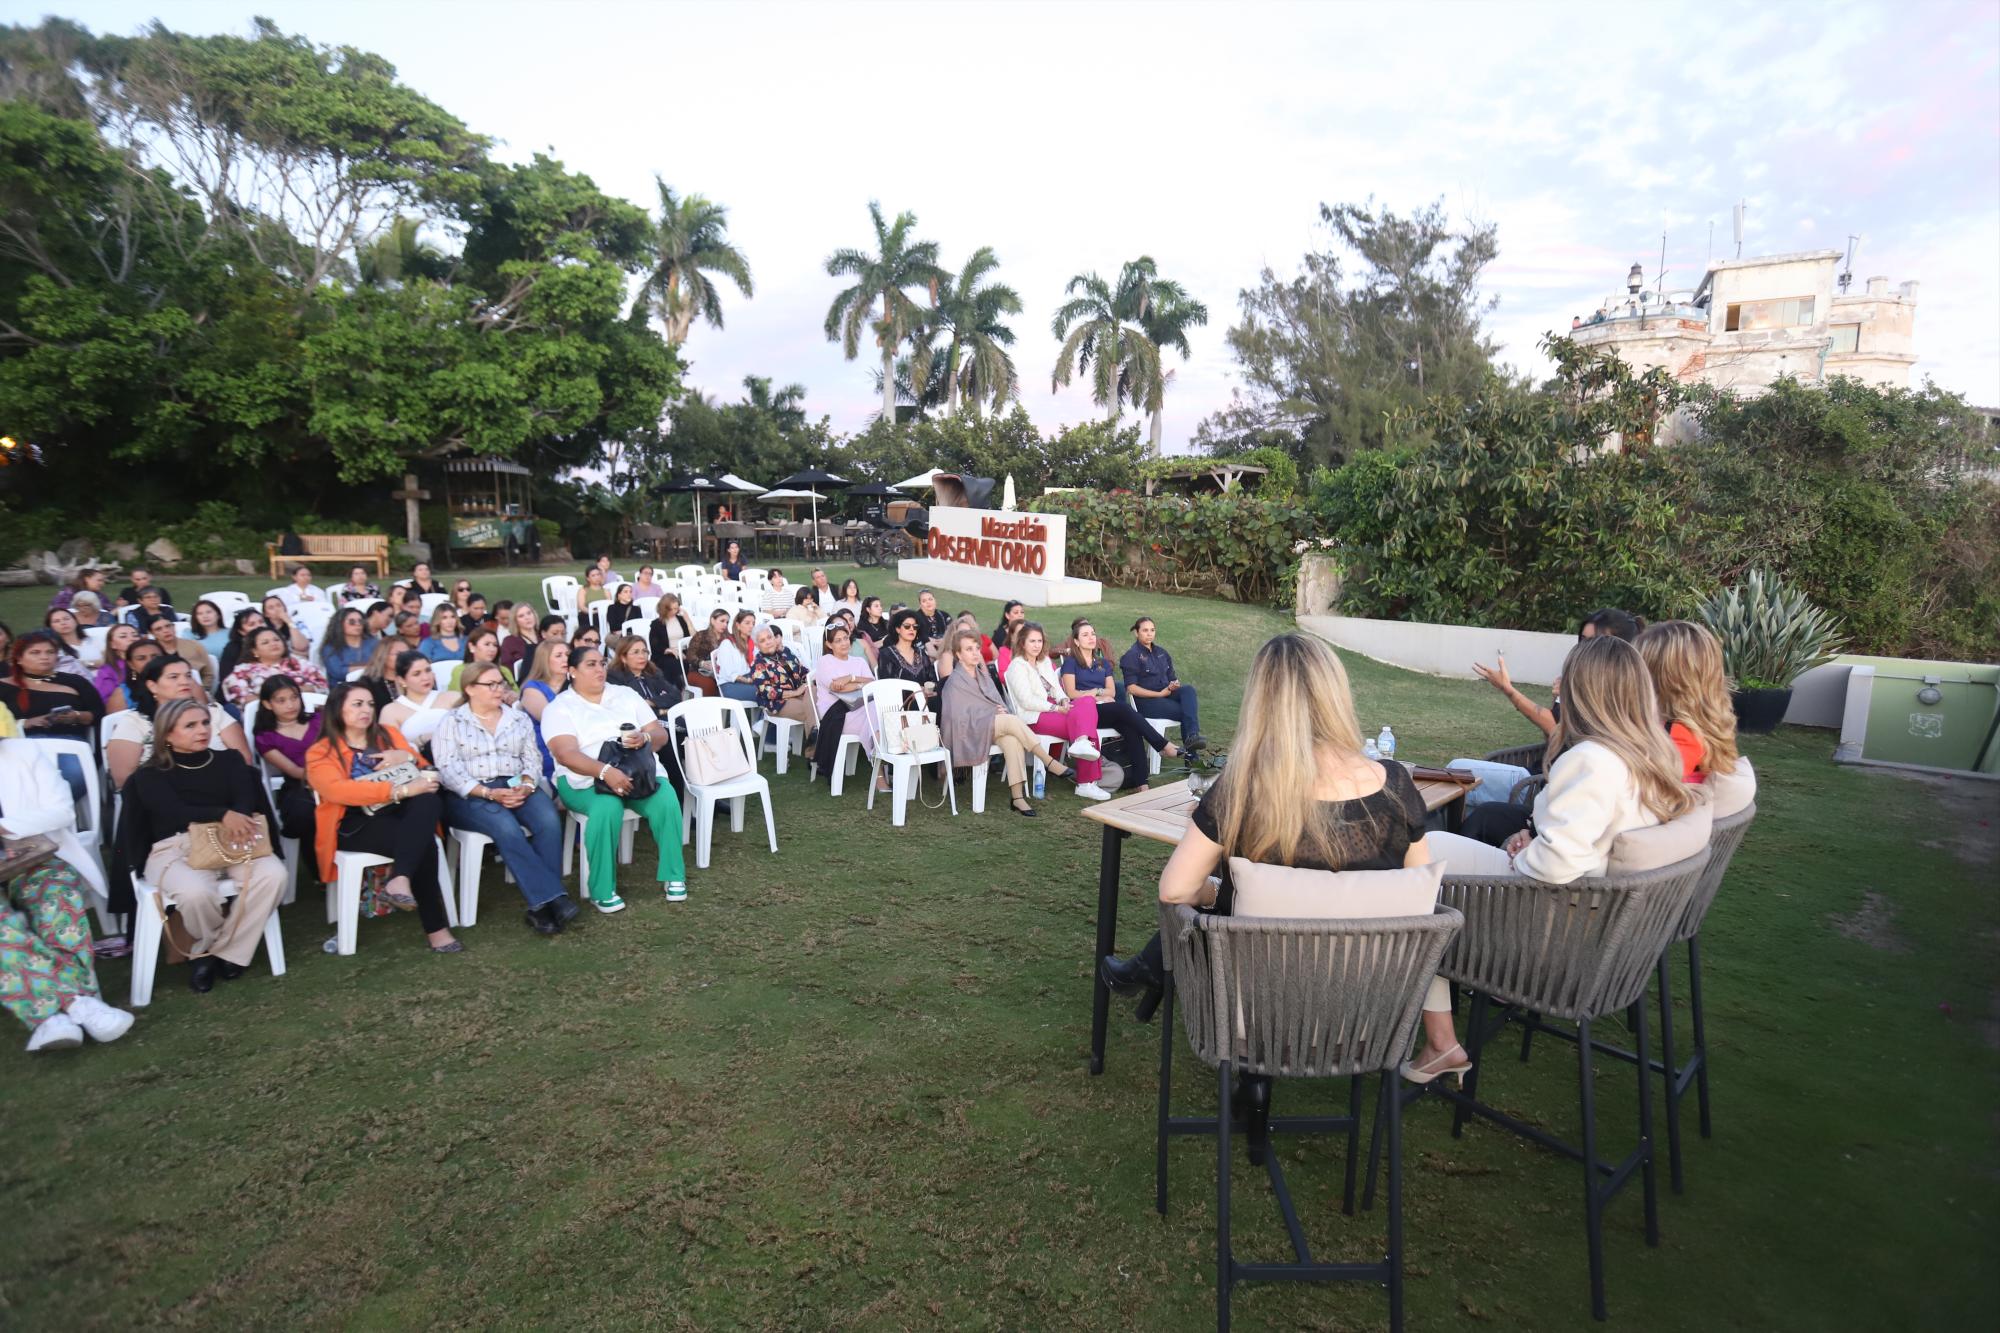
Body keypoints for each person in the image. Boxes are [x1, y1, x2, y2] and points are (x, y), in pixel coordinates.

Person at [1102, 634, 1440, 1148]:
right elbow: (1419, 891)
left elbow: (1174, 889)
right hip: (1370, 1008)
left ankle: (1244, 1069)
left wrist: (1217, 893)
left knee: (1221, 910)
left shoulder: (1244, 787)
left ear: (1262, 702)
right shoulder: (1394, 783)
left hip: (1255, 1011)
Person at [1414, 634, 1701, 1083]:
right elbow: (1584, 838)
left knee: (1415, 858)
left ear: (1587, 692)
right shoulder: (1652, 757)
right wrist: (1532, 837)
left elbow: (1552, 867)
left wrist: (1526, 854)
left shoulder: (1593, 760)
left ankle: (1436, 1036)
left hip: (1548, 933)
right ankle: (1438, 1035)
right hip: (1599, 929)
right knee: (1431, 861)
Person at [118, 697, 287, 994]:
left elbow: (245, 797)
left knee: (273, 875)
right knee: (196, 893)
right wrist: (221, 813)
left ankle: (220, 953)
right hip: (175, 846)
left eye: (206, 723)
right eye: (191, 725)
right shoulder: (149, 774)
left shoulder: (229, 760)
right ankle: (213, 951)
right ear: (167, 734)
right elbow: (172, 810)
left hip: (233, 838)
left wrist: (235, 815)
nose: (202, 730)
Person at [305, 682, 462, 953]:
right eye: (357, 704)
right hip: (354, 823)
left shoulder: (388, 735)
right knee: (422, 843)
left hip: (402, 812)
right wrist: (397, 790)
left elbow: (425, 773)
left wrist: (406, 757)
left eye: (370, 704)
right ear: (337, 709)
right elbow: (338, 791)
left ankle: (400, 878)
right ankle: (436, 929)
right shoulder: (320, 751)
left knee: (428, 800)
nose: (366, 710)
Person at [0, 738, 133, 1053]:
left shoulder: (23, 753)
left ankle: (53, 1016)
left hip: (33, 859)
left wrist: (4, 826)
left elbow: (60, 812)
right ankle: (74, 1004)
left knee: (56, 897)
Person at [430, 665, 578, 936]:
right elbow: (448, 770)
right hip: (471, 793)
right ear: (470, 688)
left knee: (548, 820)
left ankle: (541, 908)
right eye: (491, 685)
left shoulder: (516, 718)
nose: (500, 689)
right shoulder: (452, 722)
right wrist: (487, 793)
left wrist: (526, 784)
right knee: (506, 828)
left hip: (515, 784)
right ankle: (554, 899)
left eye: (501, 683)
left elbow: (532, 759)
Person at [539, 646, 688, 911]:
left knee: (666, 799)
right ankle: (601, 888)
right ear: (572, 672)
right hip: (584, 779)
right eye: (590, 664)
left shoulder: (625, 694)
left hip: (637, 774)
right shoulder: (560, 707)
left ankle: (674, 875)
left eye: (602, 663)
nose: (599, 669)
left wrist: (644, 739)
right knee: (606, 807)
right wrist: (605, 772)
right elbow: (566, 754)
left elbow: (659, 734)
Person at [940, 629, 1073, 816]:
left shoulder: (982, 675)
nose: (976, 652)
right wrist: (992, 711)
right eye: (969, 649)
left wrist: (996, 709)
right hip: (971, 731)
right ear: (958, 654)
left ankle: (1017, 798)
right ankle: (1048, 761)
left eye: (977, 648)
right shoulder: (954, 682)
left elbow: (995, 701)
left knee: (1013, 740)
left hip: (992, 726)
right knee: (1011, 721)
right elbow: (957, 717)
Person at [1061, 618, 1180, 789]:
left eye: (1093, 634)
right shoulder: (1071, 663)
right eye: (1085, 635)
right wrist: (1096, 694)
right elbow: (1071, 694)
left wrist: (1098, 694)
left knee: (1131, 728)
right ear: (1076, 641)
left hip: (1105, 709)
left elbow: (1112, 692)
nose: (1091, 637)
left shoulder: (1102, 664)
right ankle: (1162, 745)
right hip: (1085, 714)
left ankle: (1142, 783)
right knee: (1124, 708)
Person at [105, 655, 253, 792]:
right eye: (174, 677)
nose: (184, 681)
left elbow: (244, 760)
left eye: (188, 675)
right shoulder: (134, 721)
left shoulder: (213, 712)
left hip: (222, 789)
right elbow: (123, 779)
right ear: (152, 686)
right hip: (160, 798)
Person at [1004, 622, 1109, 801]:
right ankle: (1086, 783)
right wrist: (1055, 707)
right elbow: (1026, 701)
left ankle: (1082, 744)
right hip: (1034, 717)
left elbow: (1056, 688)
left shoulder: (1044, 661)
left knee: (1087, 701)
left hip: (1055, 708)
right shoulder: (1017, 666)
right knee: (1085, 726)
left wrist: (1064, 699)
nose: (1037, 645)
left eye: (1039, 640)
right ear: (1022, 643)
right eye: (1032, 641)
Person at [1636, 620, 1743, 785]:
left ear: (1665, 680)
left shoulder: (1678, 737)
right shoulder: (1701, 729)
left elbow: (1643, 788)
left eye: (1638, 667)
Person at [9, 631, 105, 800]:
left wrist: (77, 716)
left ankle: (50, 813)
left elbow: (98, 713)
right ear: (19, 658)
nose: (44, 657)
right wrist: (25, 723)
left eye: (50, 652)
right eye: (35, 653)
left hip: (68, 743)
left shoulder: (75, 681)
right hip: (19, 745)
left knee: (74, 776)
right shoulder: (4, 686)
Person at [810, 624, 883, 787]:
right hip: (836, 714)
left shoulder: (859, 661)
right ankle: (881, 768)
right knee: (875, 713)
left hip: (860, 708)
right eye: (838, 641)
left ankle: (879, 759)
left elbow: (873, 683)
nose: (844, 643)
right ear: (829, 645)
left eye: (845, 638)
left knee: (874, 712)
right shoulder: (825, 661)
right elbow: (837, 688)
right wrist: (859, 684)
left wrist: (850, 677)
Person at [251, 674, 320, 844]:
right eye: (281, 701)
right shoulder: (265, 737)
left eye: (294, 697)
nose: (290, 705)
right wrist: (324, 780)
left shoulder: (319, 719)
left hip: (337, 775)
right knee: (305, 814)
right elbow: (293, 771)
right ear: (268, 704)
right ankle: (318, 867)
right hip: (300, 783)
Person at [1120, 615, 1203, 747]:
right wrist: (1159, 694)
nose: (1149, 634)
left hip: (1166, 694)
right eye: (1145, 630)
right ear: (1136, 633)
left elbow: (1172, 678)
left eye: (1152, 630)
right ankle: (1192, 756)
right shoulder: (1131, 656)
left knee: (1188, 690)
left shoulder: (1162, 653)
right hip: (1146, 701)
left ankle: (1193, 736)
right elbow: (1131, 689)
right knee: (1185, 711)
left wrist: (1174, 684)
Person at [223, 626, 329, 710]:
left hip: (310, 713)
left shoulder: (298, 662)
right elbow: (244, 699)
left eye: (276, 640)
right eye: (265, 642)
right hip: (267, 721)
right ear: (254, 651)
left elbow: (322, 686)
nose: (273, 644)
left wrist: (279, 694)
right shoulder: (243, 672)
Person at [381, 651, 460, 750]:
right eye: (416, 674)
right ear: (402, 680)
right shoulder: (390, 711)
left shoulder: (453, 697)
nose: (426, 677)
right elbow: (392, 749)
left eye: (428, 670)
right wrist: (421, 740)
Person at [750, 624, 816, 739]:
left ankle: (816, 742)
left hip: (800, 694)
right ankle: (815, 748)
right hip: (779, 702)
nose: (768, 642)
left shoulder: (785, 653)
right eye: (762, 640)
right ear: (757, 645)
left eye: (769, 637)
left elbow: (803, 671)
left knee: (815, 694)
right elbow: (768, 692)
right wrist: (795, 693)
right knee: (815, 709)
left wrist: (808, 682)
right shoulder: (758, 664)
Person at [518, 641, 571, 779]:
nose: (565, 659)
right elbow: (550, 719)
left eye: (567, 654)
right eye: (558, 655)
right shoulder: (532, 688)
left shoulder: (576, 685)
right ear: (544, 660)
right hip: (547, 749)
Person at [875, 609, 939, 711]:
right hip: (900, 707)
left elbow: (933, 681)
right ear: (897, 629)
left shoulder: (921, 653)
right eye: (907, 626)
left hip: (925, 701)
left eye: (915, 627)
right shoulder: (886, 654)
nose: (911, 629)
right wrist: (915, 691)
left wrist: (927, 690)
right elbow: (887, 686)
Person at [606, 634, 677, 720]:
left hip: (665, 718)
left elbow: (675, 696)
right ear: (623, 658)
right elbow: (631, 708)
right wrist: (661, 710)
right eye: (636, 652)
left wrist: (651, 702)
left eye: (644, 651)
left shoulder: (653, 672)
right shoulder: (614, 677)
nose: (642, 656)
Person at [151, 615, 215, 692]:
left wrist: (201, 691)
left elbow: (208, 674)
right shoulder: (151, 652)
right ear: (152, 633)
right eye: (158, 629)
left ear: (174, 627)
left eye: (168, 626)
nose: (165, 630)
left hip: (195, 693)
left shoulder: (194, 646)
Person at [103, 637, 166, 714]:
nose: (150, 661)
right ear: (131, 664)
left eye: (155, 657)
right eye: (141, 658)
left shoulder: (179, 682)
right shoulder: (123, 694)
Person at [447, 628, 516, 697]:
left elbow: (519, 696)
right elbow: (456, 698)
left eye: (495, 645)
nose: (492, 649)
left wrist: (513, 696)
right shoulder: (461, 670)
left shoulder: (504, 670)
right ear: (472, 647)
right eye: (487, 644)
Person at [712, 610, 760, 704]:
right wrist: (747, 680)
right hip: (731, 684)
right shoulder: (727, 644)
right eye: (747, 623)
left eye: (753, 623)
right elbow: (727, 673)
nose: (751, 626)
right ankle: (763, 718)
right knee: (766, 692)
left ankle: (763, 716)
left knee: (772, 687)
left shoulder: (752, 643)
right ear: (738, 625)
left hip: (748, 677)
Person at [319, 607, 376, 684]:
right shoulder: (330, 648)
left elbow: (382, 666)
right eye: (352, 622)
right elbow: (338, 672)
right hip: (343, 689)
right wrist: (368, 668)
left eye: (361, 621)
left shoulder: (374, 643)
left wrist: (350, 668)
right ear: (340, 624)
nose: (358, 624)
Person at [682, 609, 729, 698]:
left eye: (727, 622)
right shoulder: (701, 635)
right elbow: (690, 655)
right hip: (698, 671)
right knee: (709, 684)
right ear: (712, 620)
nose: (725, 625)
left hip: (721, 672)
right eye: (722, 621)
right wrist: (702, 663)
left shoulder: (727, 638)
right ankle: (709, 709)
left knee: (730, 682)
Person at [91, 624, 142, 704]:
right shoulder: (107, 671)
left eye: (135, 635)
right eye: (123, 636)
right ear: (112, 644)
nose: (132, 639)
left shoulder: (154, 660)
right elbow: (103, 701)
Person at [41, 607, 88, 675]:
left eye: (66, 619)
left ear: (75, 621)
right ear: (50, 627)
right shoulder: (54, 650)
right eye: (57, 621)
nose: (63, 623)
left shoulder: (93, 640)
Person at [498, 603, 541, 675]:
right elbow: (506, 668)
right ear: (515, 621)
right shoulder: (509, 641)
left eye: (529, 613)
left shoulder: (544, 636)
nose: (527, 618)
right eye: (521, 616)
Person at [854, 596, 890, 666]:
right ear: (868, 609)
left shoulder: (886, 624)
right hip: (872, 659)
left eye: (880, 605)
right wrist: (883, 641)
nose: (880, 608)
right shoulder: (862, 627)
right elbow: (864, 648)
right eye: (876, 606)